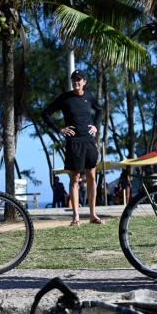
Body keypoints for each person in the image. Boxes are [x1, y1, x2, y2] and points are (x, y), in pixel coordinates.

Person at [41, 70, 104, 225]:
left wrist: (96, 126)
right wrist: (59, 129)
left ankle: (93, 215)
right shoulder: (64, 98)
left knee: (92, 177)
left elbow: (100, 110)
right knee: (74, 179)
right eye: (74, 79)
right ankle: (76, 217)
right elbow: (46, 113)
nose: (76, 82)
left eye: (79, 80)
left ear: (84, 82)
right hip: (73, 143)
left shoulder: (89, 97)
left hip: (89, 141)